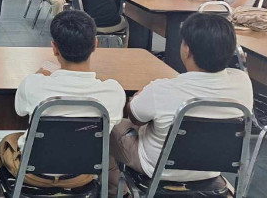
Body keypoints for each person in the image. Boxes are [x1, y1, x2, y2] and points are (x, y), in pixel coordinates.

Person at [108, 13, 253, 197]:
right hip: (211, 169)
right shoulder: (243, 83)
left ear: (187, 50)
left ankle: (113, 190)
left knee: (111, 125)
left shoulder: (162, 89)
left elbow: (134, 117)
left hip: (157, 168)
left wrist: (138, 98)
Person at [0, 10, 125, 188]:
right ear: (95, 44)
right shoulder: (113, 91)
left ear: (54, 48)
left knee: (7, 142)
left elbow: (19, 110)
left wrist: (38, 76)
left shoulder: (34, 84)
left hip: (34, 174)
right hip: (83, 174)